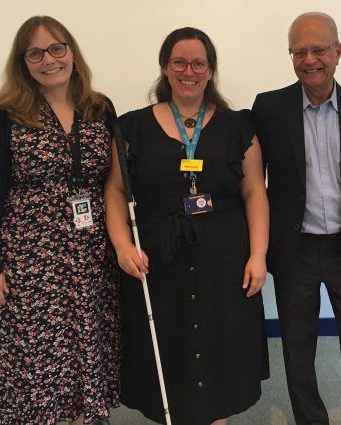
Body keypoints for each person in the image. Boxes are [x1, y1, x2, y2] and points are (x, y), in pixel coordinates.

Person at [104, 27, 269, 425]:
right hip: (158, 260)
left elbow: (254, 193)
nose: (188, 71)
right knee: (168, 348)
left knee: (219, 350)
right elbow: (114, 190)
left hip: (224, 261)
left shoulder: (237, 127)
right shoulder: (132, 127)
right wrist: (123, 246)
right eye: (179, 62)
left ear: (210, 70)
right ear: (165, 67)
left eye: (198, 63)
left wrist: (259, 255)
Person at [0, 15, 119, 425]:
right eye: (35, 52)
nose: (48, 59)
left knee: (89, 351)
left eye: (56, 48)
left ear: (71, 52)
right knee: (34, 362)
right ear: (23, 61)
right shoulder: (5, 114)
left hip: (90, 261)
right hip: (27, 265)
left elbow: (117, 185)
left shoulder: (99, 108)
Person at [252, 11, 341, 425]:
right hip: (295, 250)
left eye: (318, 50)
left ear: (337, 52)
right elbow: (251, 178)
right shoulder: (269, 108)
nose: (309, 59)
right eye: (300, 52)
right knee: (297, 349)